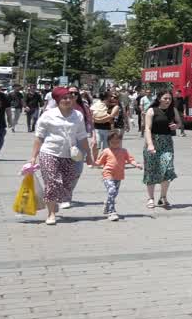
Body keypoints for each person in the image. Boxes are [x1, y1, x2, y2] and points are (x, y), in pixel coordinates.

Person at [29, 87, 92, 225]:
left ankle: (54, 201)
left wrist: (88, 155)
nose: (68, 100)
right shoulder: (48, 115)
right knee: (52, 182)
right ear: (57, 100)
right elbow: (39, 137)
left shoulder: (78, 115)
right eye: (64, 98)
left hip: (69, 155)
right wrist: (34, 156)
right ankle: (51, 214)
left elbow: (82, 136)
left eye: (70, 97)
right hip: (49, 152)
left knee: (67, 184)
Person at [142, 90, 180, 209]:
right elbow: (147, 129)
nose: (168, 101)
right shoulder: (151, 110)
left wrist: (176, 126)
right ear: (159, 99)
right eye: (165, 98)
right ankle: (151, 198)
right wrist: (150, 144)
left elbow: (179, 122)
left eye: (169, 98)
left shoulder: (173, 110)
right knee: (151, 170)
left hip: (167, 142)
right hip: (153, 141)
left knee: (168, 168)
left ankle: (163, 197)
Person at [93, 130, 139, 222]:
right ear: (108, 142)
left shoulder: (123, 151)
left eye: (117, 142)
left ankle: (107, 204)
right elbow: (99, 162)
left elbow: (130, 160)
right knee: (112, 190)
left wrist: (136, 164)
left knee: (114, 193)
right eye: (112, 142)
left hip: (119, 176)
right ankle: (112, 212)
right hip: (107, 174)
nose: (115, 144)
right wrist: (91, 163)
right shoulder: (106, 151)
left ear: (121, 141)